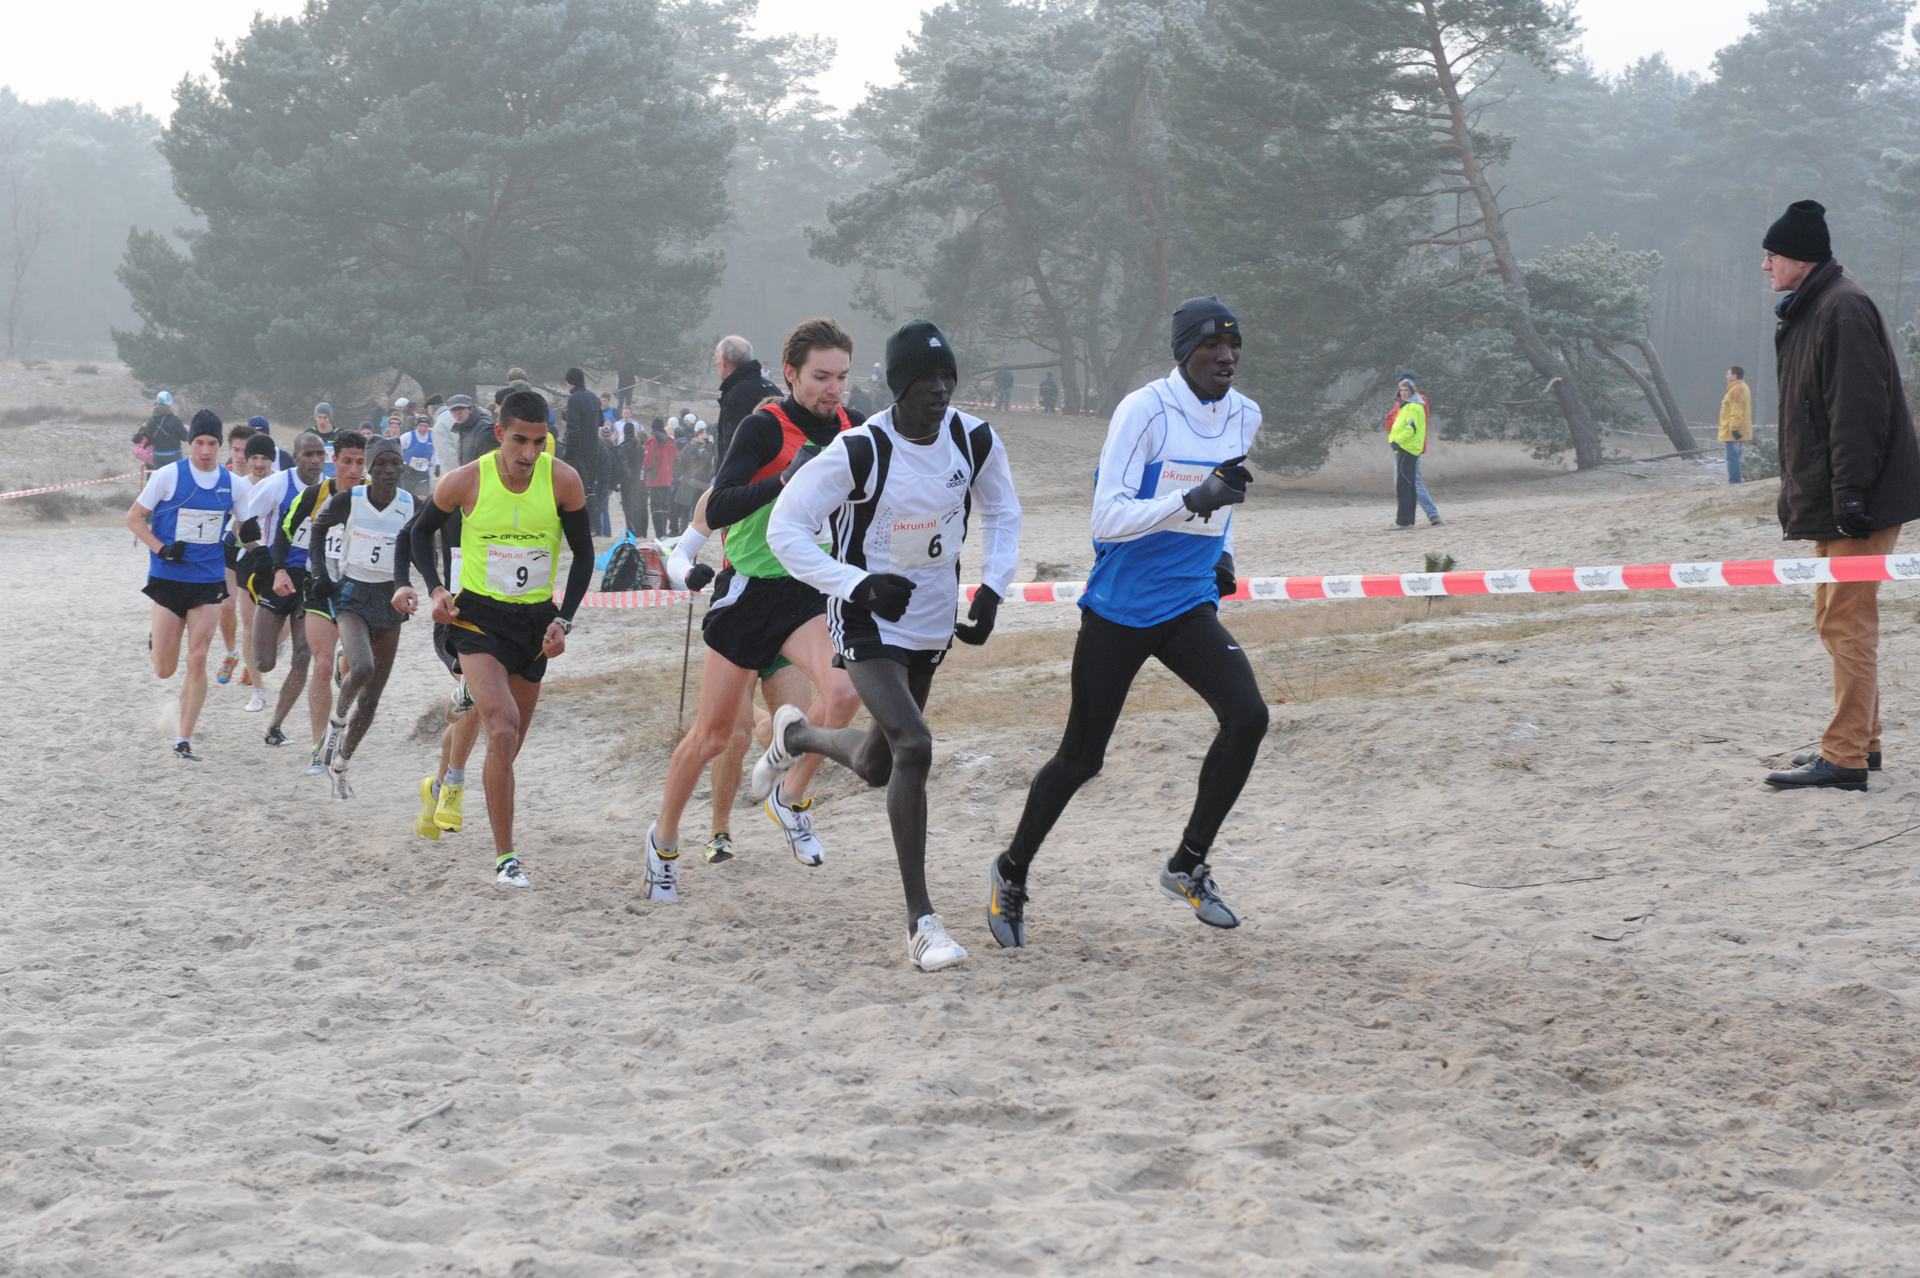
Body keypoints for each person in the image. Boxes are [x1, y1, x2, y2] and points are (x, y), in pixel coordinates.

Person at [989, 296, 1268, 948]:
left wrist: (1223, 552)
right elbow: (1107, 518)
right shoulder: (1144, 411)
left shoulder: (1245, 415)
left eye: (1233, 345)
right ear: (1184, 352)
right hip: (1120, 609)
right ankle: (1011, 870)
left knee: (1248, 716)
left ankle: (1187, 864)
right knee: (1082, 759)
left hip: (1187, 602)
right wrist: (1190, 500)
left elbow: (1226, 494)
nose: (1226, 356)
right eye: (1211, 345)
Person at [758, 320, 1022, 971]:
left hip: (929, 622)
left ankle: (796, 735)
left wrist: (993, 586)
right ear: (899, 386)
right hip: (866, 621)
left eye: (947, 378)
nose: (940, 390)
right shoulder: (861, 450)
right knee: (915, 745)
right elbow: (785, 528)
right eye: (926, 379)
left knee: (880, 763)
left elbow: (1002, 511)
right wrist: (857, 584)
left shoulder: (974, 439)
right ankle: (921, 924)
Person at [640, 318, 867, 901]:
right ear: (791, 374)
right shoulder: (764, 427)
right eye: (821, 377)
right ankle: (663, 842)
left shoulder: (855, 428)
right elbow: (718, 507)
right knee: (714, 738)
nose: (834, 389)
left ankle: (790, 800)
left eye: (842, 376)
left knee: (843, 694)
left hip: (806, 591)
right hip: (749, 592)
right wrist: (784, 480)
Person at [403, 388, 596, 886]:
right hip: (478, 621)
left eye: (538, 441)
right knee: (502, 727)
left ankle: (440, 784)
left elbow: (584, 555)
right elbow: (418, 533)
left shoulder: (563, 481)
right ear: (499, 434)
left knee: (507, 748)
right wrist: (436, 588)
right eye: (519, 441)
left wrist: (564, 620)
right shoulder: (466, 480)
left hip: (534, 624)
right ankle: (506, 859)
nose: (528, 453)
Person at [1757, 201, 1920, 792]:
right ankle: (1862, 743)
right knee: (1835, 619)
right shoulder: (1815, 307)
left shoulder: (1842, 307)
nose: (1765, 266)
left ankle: (1845, 757)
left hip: (1857, 498)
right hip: (1836, 495)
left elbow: (1857, 412)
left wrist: (1851, 497)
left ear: (1800, 258)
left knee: (1847, 623)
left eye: (1772, 255)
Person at [667, 487, 816, 864]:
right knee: (733, 735)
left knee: (796, 734)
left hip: (793, 613)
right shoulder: (722, 493)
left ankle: (784, 797)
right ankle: (719, 832)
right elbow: (678, 554)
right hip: (741, 613)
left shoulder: (808, 479)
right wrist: (688, 573)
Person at [307, 439, 415, 799]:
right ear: (370, 468)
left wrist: (427, 584)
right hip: (352, 595)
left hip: (390, 601)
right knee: (363, 667)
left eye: (394, 464)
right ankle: (335, 724)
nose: (388, 470)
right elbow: (318, 530)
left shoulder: (410, 504)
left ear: (402, 467)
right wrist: (321, 574)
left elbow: (426, 541)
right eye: (381, 464)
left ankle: (340, 765)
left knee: (371, 698)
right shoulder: (349, 500)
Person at [125, 410, 235, 760]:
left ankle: (183, 738)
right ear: (191, 443)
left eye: (212, 443)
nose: (205, 450)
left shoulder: (232, 483)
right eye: (200, 442)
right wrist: (161, 548)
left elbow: (247, 524)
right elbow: (133, 518)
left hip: (208, 581)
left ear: (220, 445)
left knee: (198, 657)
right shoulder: (169, 475)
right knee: (165, 669)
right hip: (169, 578)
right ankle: (156, 640)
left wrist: (255, 551)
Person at [275, 432, 368, 774]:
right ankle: (319, 749)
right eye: (347, 462)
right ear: (334, 461)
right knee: (322, 664)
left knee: (354, 671)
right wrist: (279, 569)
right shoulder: (315, 496)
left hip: (361, 593)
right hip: (320, 589)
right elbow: (284, 532)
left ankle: (347, 660)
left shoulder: (375, 496)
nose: (354, 469)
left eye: (360, 462)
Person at [394, 489, 484, 842]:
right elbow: (408, 535)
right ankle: (450, 789)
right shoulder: (460, 489)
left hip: (505, 618)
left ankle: (436, 791)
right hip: (456, 616)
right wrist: (413, 584)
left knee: (474, 709)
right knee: (475, 698)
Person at [240, 431, 327, 744]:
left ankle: (275, 727)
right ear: (296, 456)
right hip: (276, 574)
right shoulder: (278, 485)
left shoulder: (330, 490)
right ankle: (269, 643)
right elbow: (242, 522)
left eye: (319, 454)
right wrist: (261, 555)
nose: (315, 460)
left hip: (310, 579)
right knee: (264, 661)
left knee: (303, 655)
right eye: (308, 454)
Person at [714, 335, 781, 467]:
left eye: (716, 360)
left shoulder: (736, 394)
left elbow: (732, 446)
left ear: (724, 361)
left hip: (748, 474)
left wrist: (725, 476)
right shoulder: (772, 387)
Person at [1387, 375, 1431, 530]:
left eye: (1406, 390)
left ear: (1412, 391)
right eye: (1401, 390)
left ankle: (1403, 522)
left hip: (1406, 449)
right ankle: (1408, 521)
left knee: (1404, 487)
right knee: (1409, 486)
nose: (1403, 392)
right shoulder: (1406, 407)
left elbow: (1411, 429)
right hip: (1405, 448)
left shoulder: (1413, 407)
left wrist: (1396, 441)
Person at [133, 391, 187, 476]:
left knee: (159, 479)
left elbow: (144, 437)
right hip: (174, 455)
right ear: (169, 404)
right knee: (175, 479)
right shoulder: (175, 420)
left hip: (158, 456)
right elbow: (185, 437)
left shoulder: (151, 421)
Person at [675, 421, 714, 534]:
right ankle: (683, 531)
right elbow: (683, 460)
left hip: (700, 481)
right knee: (686, 508)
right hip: (689, 480)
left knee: (697, 509)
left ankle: (692, 531)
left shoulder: (709, 447)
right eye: (702, 434)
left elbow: (708, 461)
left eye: (705, 434)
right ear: (698, 434)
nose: (704, 436)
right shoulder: (691, 446)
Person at [644, 416, 677, 537]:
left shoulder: (653, 441)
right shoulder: (671, 441)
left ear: (653, 427)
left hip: (655, 479)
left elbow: (649, 460)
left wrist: (645, 468)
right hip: (667, 478)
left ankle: (659, 533)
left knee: (655, 507)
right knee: (664, 506)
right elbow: (676, 459)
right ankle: (663, 532)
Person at [1720, 364, 1753, 484]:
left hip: (1733, 430)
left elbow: (1736, 411)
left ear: (1735, 375)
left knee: (1732, 458)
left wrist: (1734, 429)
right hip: (1739, 428)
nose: (1726, 376)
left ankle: (1734, 482)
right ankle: (1735, 481)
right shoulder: (1742, 387)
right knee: (1735, 456)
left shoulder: (1736, 390)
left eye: (1728, 373)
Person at [617, 416, 649, 537]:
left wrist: (622, 479)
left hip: (628, 481)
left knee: (628, 507)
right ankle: (641, 531)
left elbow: (623, 465)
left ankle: (631, 530)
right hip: (639, 480)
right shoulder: (639, 446)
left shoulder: (624, 446)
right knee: (639, 505)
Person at [401, 409, 438, 500]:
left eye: (426, 426)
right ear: (416, 426)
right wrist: (402, 464)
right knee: (409, 498)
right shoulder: (408, 436)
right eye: (421, 425)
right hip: (409, 473)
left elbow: (435, 454)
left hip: (423, 474)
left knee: (422, 498)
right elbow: (398, 449)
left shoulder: (432, 438)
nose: (423, 428)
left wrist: (437, 465)